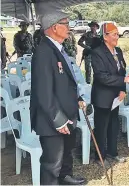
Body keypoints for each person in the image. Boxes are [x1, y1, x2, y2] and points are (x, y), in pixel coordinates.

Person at [30, 11, 87, 185]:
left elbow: (65, 82)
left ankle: (65, 177)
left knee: (67, 153)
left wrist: (77, 98)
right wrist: (58, 119)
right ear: (55, 27)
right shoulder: (44, 52)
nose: (69, 28)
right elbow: (44, 91)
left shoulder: (58, 48)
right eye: (66, 24)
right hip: (52, 119)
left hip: (67, 112)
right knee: (51, 163)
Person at [91, 22, 129, 167]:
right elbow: (102, 76)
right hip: (103, 97)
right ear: (105, 37)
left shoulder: (118, 51)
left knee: (113, 125)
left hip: (116, 97)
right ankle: (100, 157)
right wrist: (124, 80)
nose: (117, 37)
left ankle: (113, 152)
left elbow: (122, 71)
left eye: (117, 34)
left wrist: (123, 88)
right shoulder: (97, 52)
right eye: (114, 34)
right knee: (101, 127)